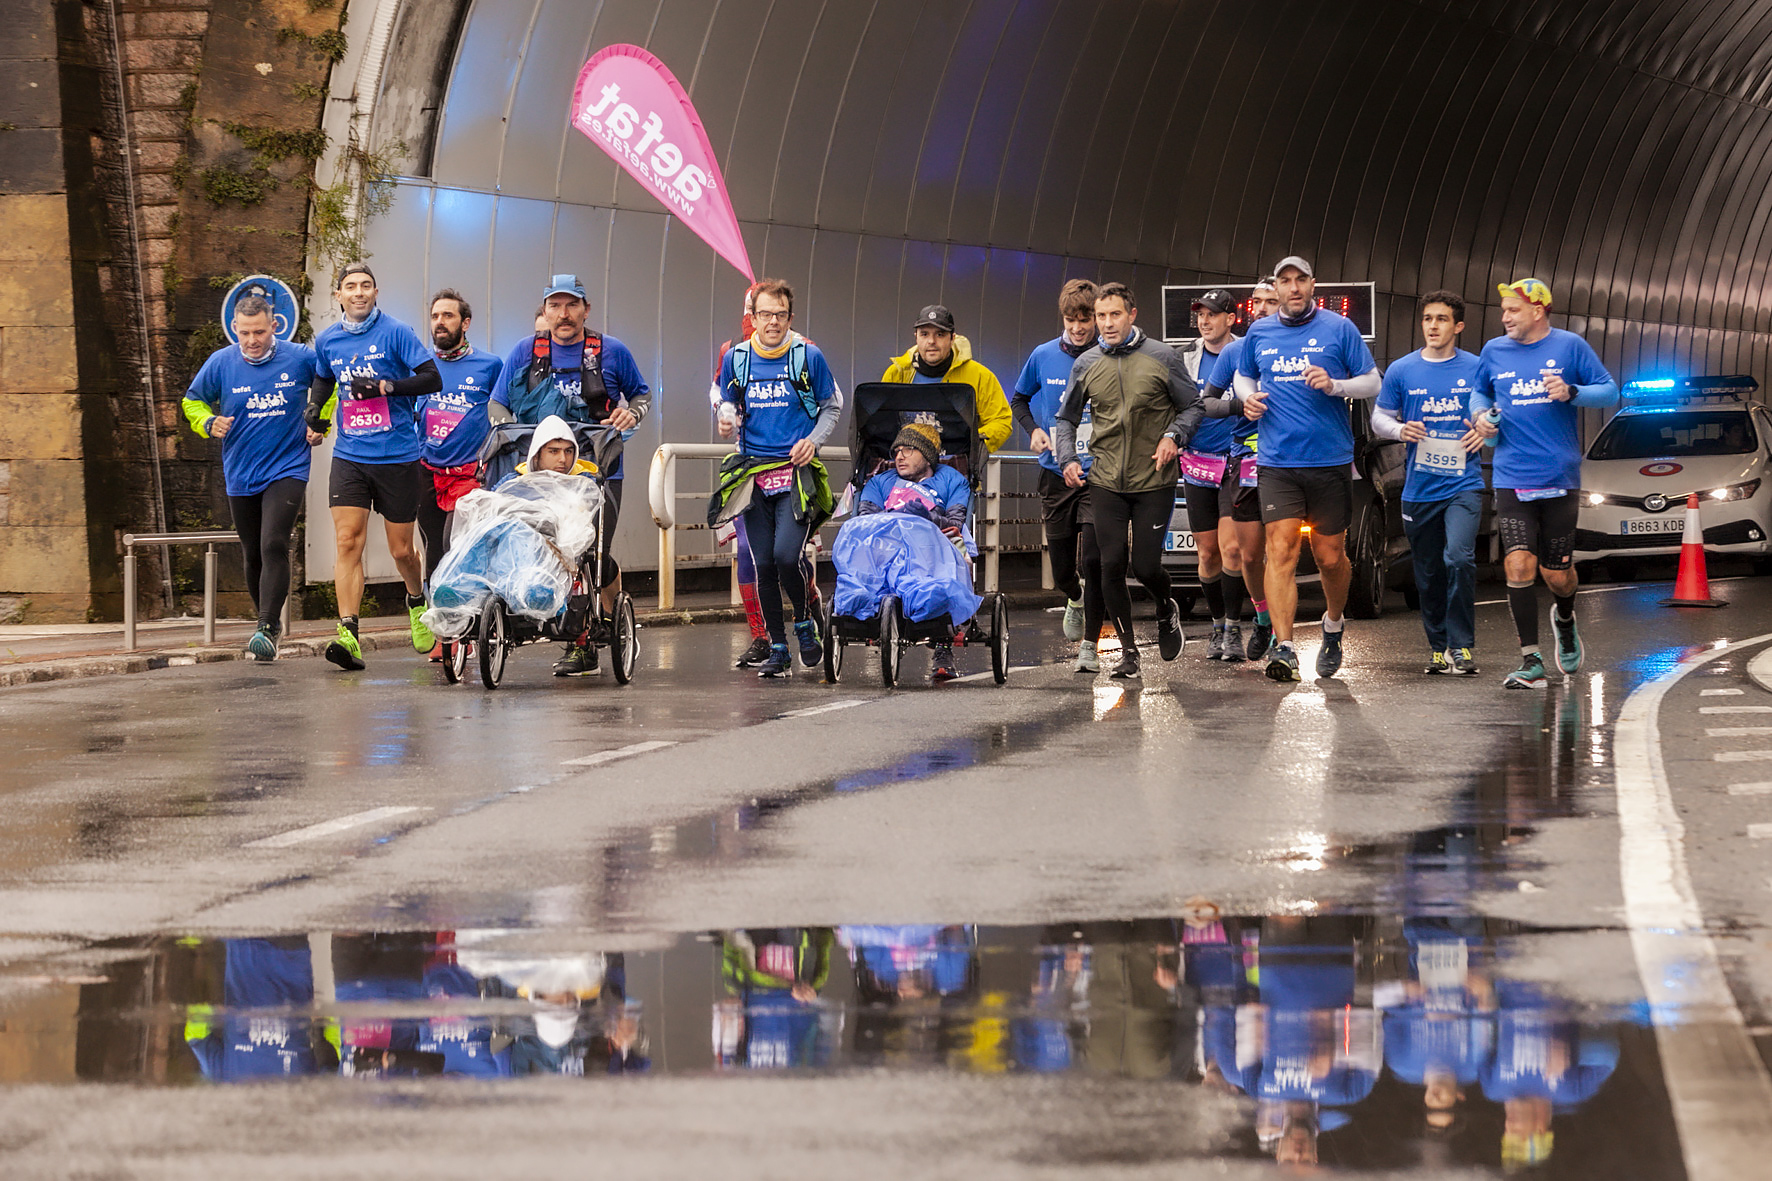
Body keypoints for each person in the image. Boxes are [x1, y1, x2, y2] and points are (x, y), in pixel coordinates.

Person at [491, 274, 651, 677]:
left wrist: (632, 413)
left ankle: (595, 631)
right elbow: (496, 405)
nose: (563, 315)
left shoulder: (612, 351)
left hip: (597, 474)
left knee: (590, 553)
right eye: (555, 306)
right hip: (538, 476)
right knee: (544, 546)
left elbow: (642, 394)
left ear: (585, 309)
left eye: (571, 305)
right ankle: (562, 626)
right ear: (544, 311)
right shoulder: (524, 352)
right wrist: (514, 437)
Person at [1233, 256, 1381, 682]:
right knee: (1280, 551)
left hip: (1330, 461)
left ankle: (1332, 624)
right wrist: (1249, 397)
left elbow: (1372, 382)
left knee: (1330, 557)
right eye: (1285, 281)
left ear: (1313, 285)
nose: (1294, 288)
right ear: (1275, 289)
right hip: (1277, 461)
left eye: (1301, 280)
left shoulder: (1340, 329)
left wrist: (1336, 386)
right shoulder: (1259, 332)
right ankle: (1286, 648)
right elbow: (1244, 377)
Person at [1470, 278, 1618, 689]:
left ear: (1538, 310)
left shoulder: (1570, 347)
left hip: (1560, 476)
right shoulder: (1494, 351)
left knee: (1557, 574)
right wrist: (1482, 416)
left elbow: (1609, 391)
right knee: (1518, 563)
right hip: (1512, 475)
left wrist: (1572, 391)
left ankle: (1566, 618)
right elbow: (1478, 394)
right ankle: (1530, 659)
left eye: (1513, 309)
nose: (1505, 318)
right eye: (1504, 310)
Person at [1051, 282, 1202, 679]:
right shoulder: (1086, 364)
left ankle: (1166, 606)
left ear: (1131, 314)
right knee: (1109, 563)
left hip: (1153, 478)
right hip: (1104, 479)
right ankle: (1129, 652)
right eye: (1100, 316)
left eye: (1114, 315)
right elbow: (1065, 418)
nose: (1106, 324)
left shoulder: (1162, 357)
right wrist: (1067, 458)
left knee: (1146, 565)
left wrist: (1174, 436)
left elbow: (1194, 406)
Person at [305, 263, 443, 671]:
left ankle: (416, 601)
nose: (359, 293)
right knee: (348, 541)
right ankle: (348, 634)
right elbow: (323, 378)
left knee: (402, 550)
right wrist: (315, 410)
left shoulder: (397, 333)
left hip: (397, 455)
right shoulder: (328, 340)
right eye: (351, 287)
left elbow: (431, 378)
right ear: (340, 296)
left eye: (366, 286)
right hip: (350, 455)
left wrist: (386, 387)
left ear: (376, 292)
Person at [182, 296, 324, 661]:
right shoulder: (222, 362)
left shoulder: (299, 357)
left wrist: (319, 419)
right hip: (242, 470)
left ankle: (264, 626)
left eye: (259, 331)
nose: (251, 340)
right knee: (252, 553)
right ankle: (270, 627)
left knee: (274, 542)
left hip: (287, 466)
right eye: (244, 333)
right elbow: (192, 401)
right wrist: (208, 422)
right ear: (235, 329)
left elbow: (329, 381)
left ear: (274, 325)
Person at [715, 278, 843, 678]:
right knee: (764, 562)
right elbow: (727, 402)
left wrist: (812, 440)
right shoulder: (736, 359)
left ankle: (805, 623)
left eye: (780, 314)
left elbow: (831, 407)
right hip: (753, 474)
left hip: (795, 474)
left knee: (789, 555)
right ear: (752, 317)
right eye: (765, 314)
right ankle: (777, 646)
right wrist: (725, 419)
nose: (773, 322)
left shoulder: (808, 357)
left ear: (791, 317)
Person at [1372, 291, 1487, 675]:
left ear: (1458, 326)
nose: (1433, 326)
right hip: (1420, 488)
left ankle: (1463, 646)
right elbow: (1379, 419)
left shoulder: (1476, 367)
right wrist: (1402, 429)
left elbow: (1498, 411)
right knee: (1429, 572)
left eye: (1441, 319)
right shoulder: (1403, 370)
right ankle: (1438, 646)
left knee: (1458, 556)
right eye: (1427, 319)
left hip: (1464, 483)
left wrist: (1485, 430)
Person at [1011, 279, 1107, 671]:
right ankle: (1074, 597)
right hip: (1055, 473)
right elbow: (1019, 398)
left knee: (1095, 561)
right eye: (1072, 320)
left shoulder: (1108, 356)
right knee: (1064, 567)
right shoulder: (1043, 355)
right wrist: (1033, 429)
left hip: (1098, 474)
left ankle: (1090, 645)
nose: (1079, 327)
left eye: (1086, 320)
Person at [415, 290, 501, 660]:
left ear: (465, 324)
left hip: (469, 474)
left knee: (456, 546)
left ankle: (468, 625)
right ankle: (443, 633)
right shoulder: (419, 367)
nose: (440, 322)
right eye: (435, 316)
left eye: (448, 316)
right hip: (425, 471)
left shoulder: (490, 366)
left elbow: (503, 415)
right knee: (433, 549)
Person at [1199, 276, 1280, 661]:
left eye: (1271, 302)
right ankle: (1259, 615)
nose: (1262, 308)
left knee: (1283, 551)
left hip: (1289, 461)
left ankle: (1283, 634)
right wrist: (1238, 407)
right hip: (1243, 461)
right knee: (1244, 555)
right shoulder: (1237, 353)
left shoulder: (1302, 350)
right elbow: (1206, 403)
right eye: (1257, 302)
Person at [857, 421, 973, 680]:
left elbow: (955, 524)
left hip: (934, 547)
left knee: (957, 561)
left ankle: (944, 644)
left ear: (928, 454)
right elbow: (865, 519)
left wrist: (929, 518)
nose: (899, 456)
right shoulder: (880, 482)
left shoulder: (952, 481)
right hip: (890, 546)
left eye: (908, 449)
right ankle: (871, 618)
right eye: (896, 450)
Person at [1175, 289, 1248, 661]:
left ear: (1230, 319)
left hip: (1235, 460)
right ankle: (1217, 624)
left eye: (1213, 314)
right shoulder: (1184, 358)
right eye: (1200, 315)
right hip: (1198, 462)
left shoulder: (1247, 353)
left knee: (1231, 547)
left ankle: (1234, 628)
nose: (1204, 321)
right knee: (1207, 554)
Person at [880, 303, 1013, 456]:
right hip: (905, 471)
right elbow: (882, 423)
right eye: (924, 334)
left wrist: (969, 446)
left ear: (952, 338)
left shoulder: (980, 376)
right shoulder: (896, 373)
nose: (931, 341)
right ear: (916, 337)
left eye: (940, 334)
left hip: (957, 472)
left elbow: (1001, 421)